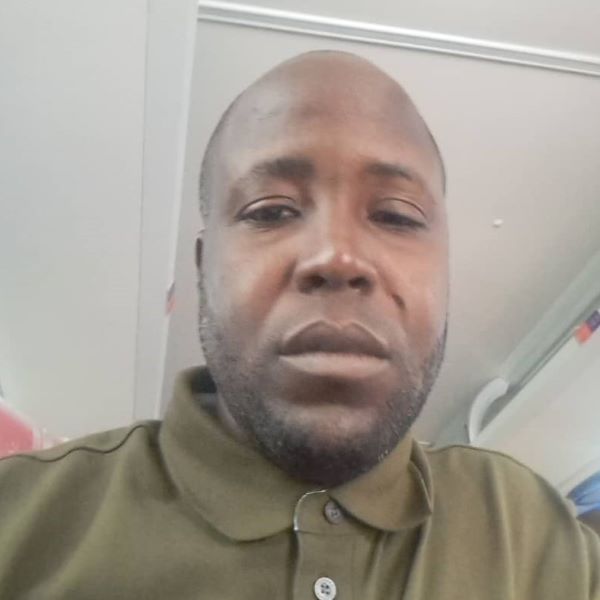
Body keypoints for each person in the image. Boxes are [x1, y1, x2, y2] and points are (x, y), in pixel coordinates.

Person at [0, 50, 598, 599]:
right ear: (204, 269)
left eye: (396, 215)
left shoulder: (537, 537)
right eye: (272, 210)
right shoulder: (20, 521)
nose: (338, 257)